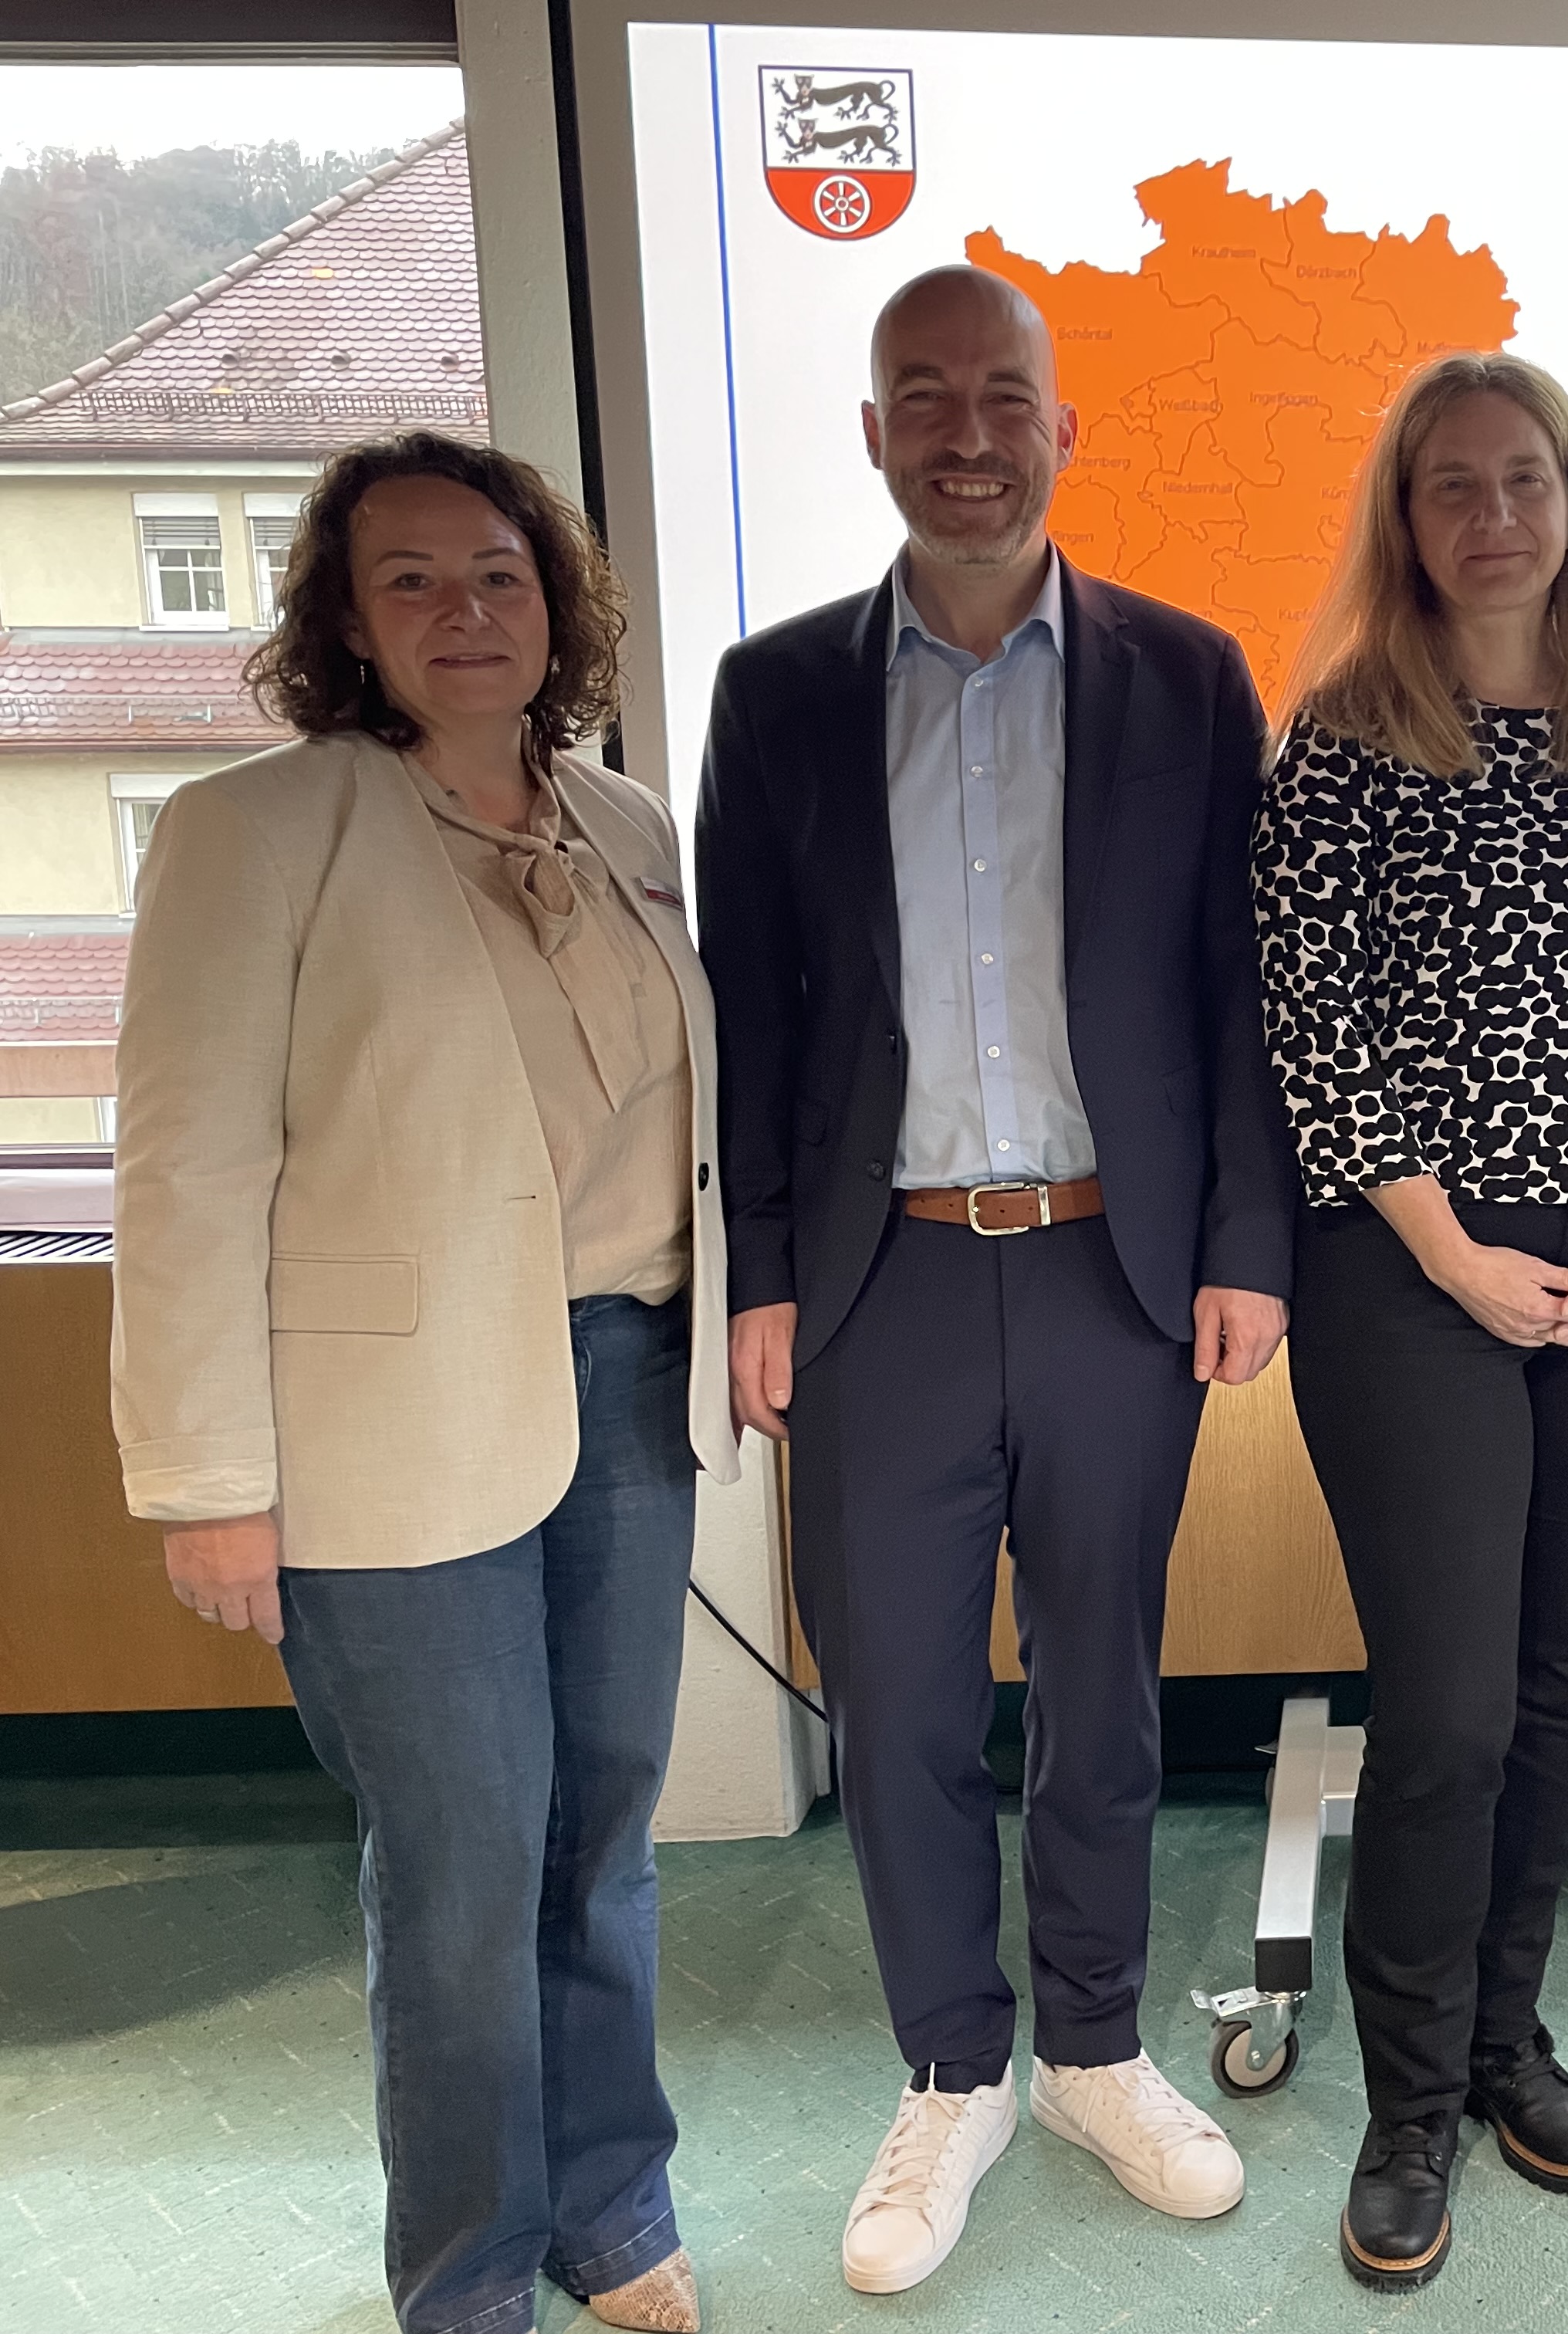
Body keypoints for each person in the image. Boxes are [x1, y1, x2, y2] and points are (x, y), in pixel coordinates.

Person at [694, 266, 1299, 2295]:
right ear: (874, 432)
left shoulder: (1186, 676)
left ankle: (1096, 2055)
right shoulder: (776, 690)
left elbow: (1236, 990)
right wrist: (761, 1277)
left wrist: (1244, 1246)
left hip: (1119, 1272)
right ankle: (955, 2069)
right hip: (883, 1286)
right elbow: (754, 1014)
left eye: (1003, 398)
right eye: (925, 397)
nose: (968, 435)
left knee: (1102, 1692)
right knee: (902, 1710)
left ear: (1063, 430)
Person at [109, 432, 734, 2334]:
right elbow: (186, 1169)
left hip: (628, 1385)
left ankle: (611, 2208)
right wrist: (208, 1480)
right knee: (463, 1862)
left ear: (557, 603)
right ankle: (468, 2267)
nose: (466, 612)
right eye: (413, 580)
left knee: (601, 1834)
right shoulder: (257, 831)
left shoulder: (623, 825)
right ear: (346, 620)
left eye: (500, 575)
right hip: (386, 1432)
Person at [1254, 350, 1568, 2292]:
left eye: (1523, 478)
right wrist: (1454, 1251)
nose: (1492, 516)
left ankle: (1500, 2041)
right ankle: (1407, 2104)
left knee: (1556, 1686)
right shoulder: (1343, 739)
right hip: (1412, 1277)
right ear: (1406, 515)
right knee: (1447, 1705)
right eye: (1451, 484)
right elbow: (1316, 1026)